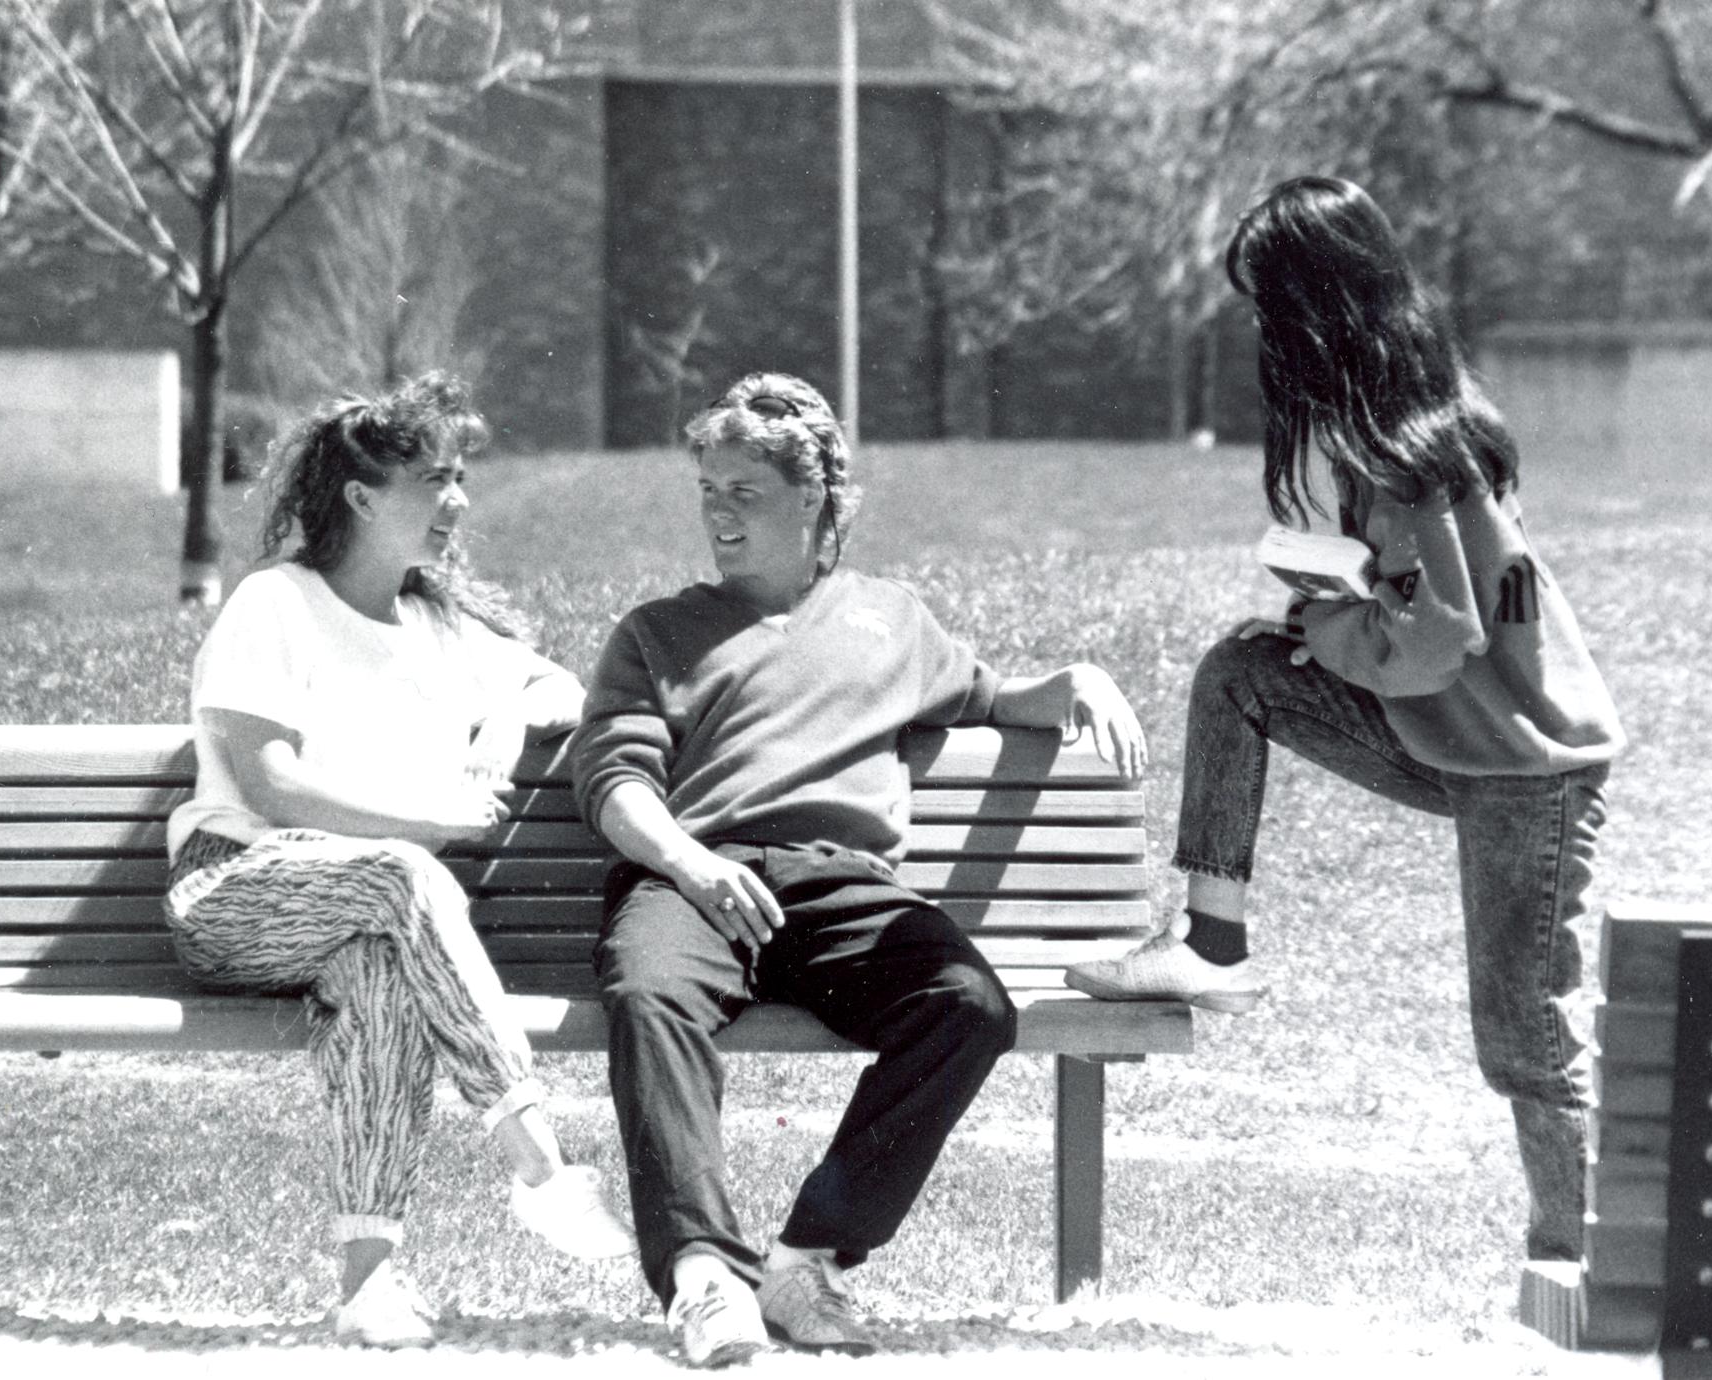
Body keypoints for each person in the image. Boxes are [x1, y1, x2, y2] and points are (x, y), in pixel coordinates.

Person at [1066, 176, 1626, 1269]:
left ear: (1320, 306)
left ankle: (1583, 1268)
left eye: (1270, 307)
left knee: (1522, 1037)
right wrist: (1319, 616)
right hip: (1461, 742)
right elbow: (1430, 622)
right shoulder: (1411, 431)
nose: (1264, 334)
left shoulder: (1411, 457)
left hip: (1529, 769)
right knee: (1241, 673)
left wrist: (1327, 621)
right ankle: (1211, 940)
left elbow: (1438, 635)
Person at [570, 373, 1147, 1367]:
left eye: (744, 492)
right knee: (650, 992)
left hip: (840, 890)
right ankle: (704, 1275)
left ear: (811, 499)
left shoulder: (890, 620)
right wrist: (691, 865)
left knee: (966, 1005)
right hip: (694, 877)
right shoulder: (656, 633)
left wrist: (1078, 678)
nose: (718, 513)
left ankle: (806, 1263)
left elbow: (992, 696)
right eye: (707, 490)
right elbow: (614, 782)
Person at [161, 374, 634, 1349]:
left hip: (369, 911)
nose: (456, 500)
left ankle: (367, 1283)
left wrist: (504, 720)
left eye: (461, 478)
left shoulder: (438, 628)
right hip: (237, 887)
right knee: (405, 874)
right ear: (361, 497)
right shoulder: (273, 604)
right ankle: (541, 1168)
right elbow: (272, 787)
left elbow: (561, 687)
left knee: (382, 977)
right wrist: (434, 821)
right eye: (433, 480)